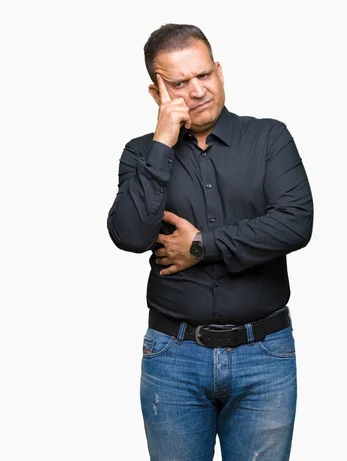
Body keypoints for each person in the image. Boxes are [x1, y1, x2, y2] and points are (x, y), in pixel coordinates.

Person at [106, 23, 313, 461]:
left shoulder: (269, 138)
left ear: (219, 70)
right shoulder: (140, 154)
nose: (197, 91)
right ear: (156, 92)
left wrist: (201, 244)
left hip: (265, 355)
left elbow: (295, 223)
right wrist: (164, 139)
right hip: (173, 358)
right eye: (179, 83)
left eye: (204, 75)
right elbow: (129, 235)